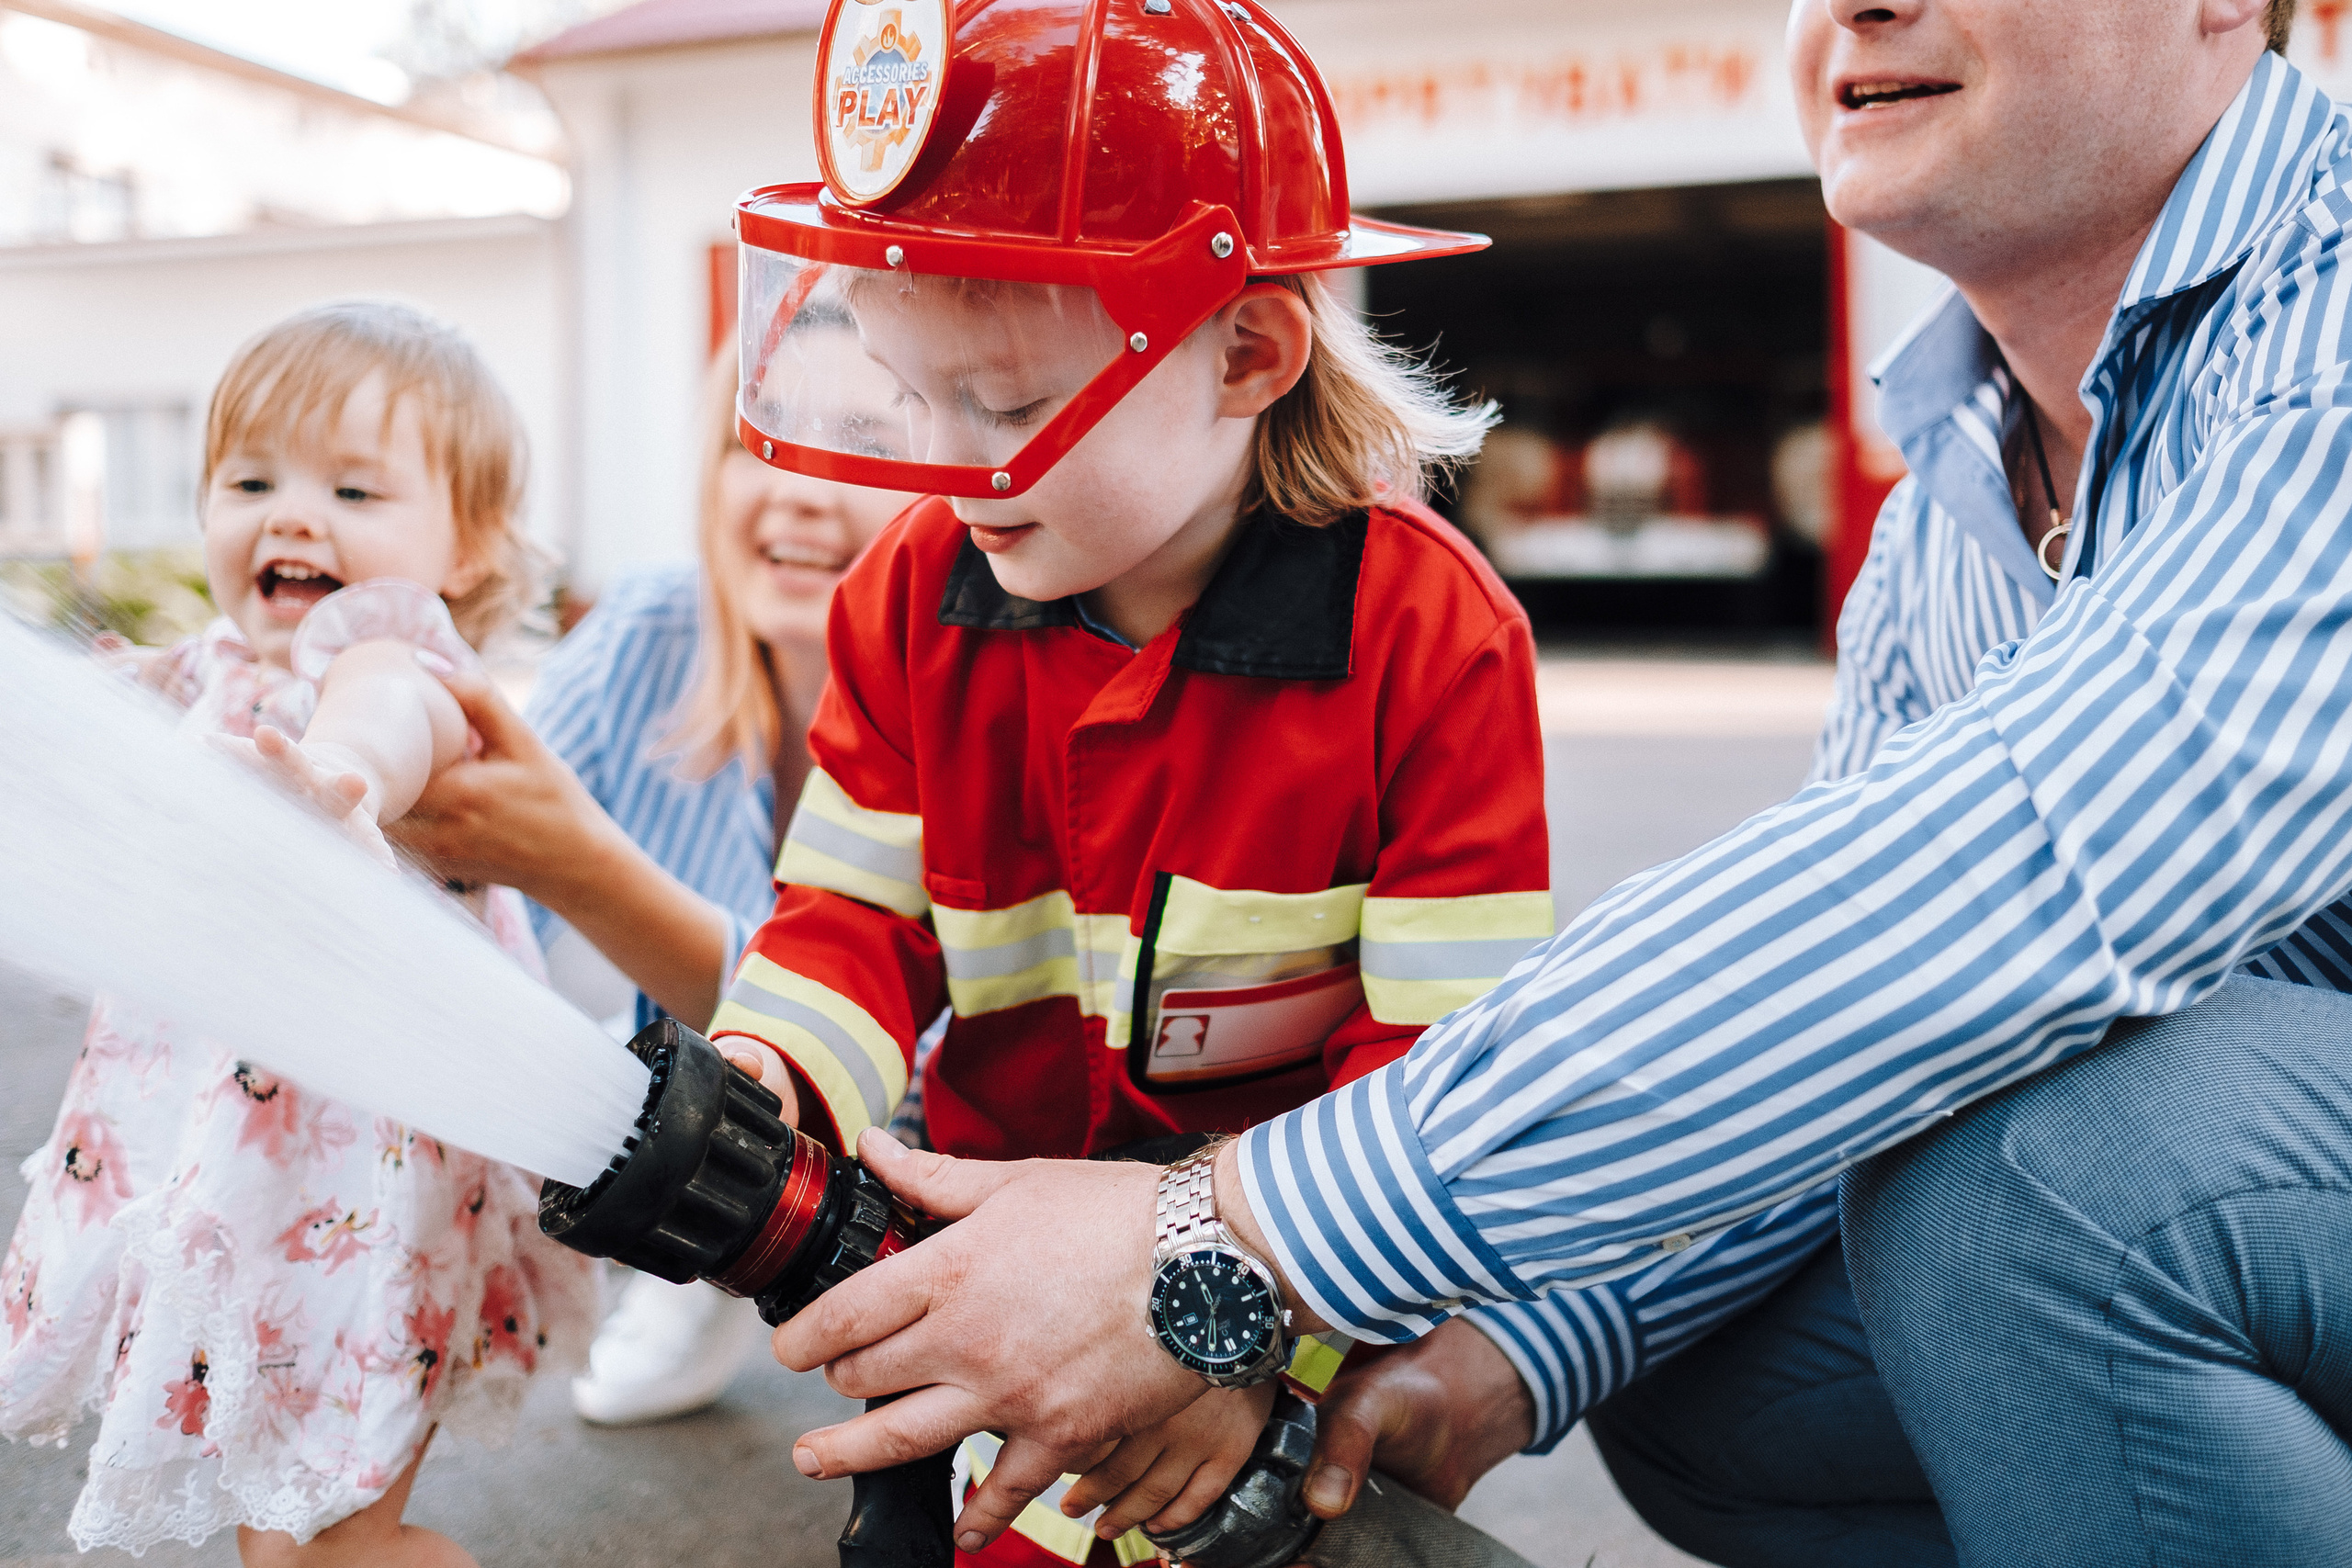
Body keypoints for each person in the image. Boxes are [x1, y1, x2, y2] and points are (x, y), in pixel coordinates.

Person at [770, 1, 2352, 1562]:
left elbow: (2028, 871)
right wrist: (1528, 1352)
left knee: (2036, 1191)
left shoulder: (2330, 320)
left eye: (1008, 404)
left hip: (2201, 1171)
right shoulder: (1951, 490)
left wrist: (1232, 1248)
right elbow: (1870, 1032)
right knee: (1685, 1375)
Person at [0, 301, 596, 1568]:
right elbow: (86, 727)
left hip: (360, 1208)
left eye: (353, 486)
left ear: (472, 546)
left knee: (328, 1544)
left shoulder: (400, 666)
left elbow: (383, 719)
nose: (289, 512)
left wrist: (331, 775)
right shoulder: (207, 670)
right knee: (281, 1545)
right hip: (229, 1188)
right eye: (251, 478)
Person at [388, 342, 917, 1427]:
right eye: (752, 442)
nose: (794, 491)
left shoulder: (988, 684)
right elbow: (481, 880)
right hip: (693, 1072)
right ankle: (704, 1237)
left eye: (859, 447)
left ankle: (770, 1226)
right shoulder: (652, 631)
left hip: (923, 1139)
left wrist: (584, 868)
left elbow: (925, 1070)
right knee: (513, 917)